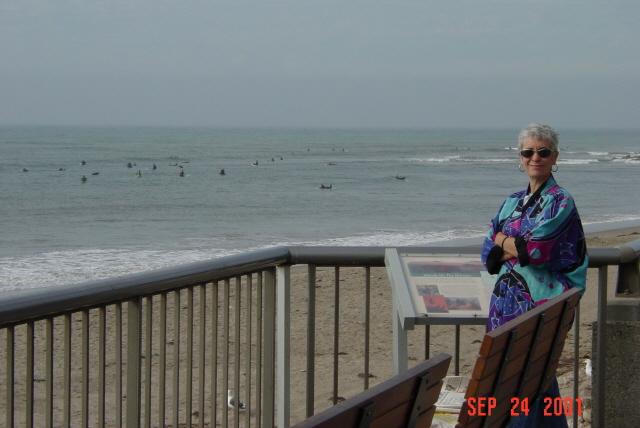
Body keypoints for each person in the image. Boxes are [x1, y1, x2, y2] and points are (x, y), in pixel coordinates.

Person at [481, 123, 588, 428]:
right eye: (528, 152)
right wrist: (508, 243)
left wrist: (505, 241)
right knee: (533, 378)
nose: (535, 157)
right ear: (520, 158)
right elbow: (487, 247)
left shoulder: (561, 201)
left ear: (555, 157)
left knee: (527, 378)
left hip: (543, 307)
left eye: (543, 152)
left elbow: (538, 248)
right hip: (506, 307)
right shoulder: (513, 201)